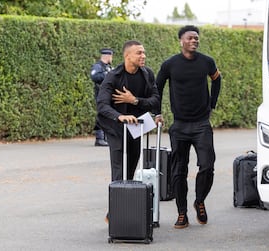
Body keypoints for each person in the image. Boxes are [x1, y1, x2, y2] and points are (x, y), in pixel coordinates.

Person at [155, 25, 221, 229]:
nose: (195, 40)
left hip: (201, 124)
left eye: (197, 38)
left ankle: (199, 200)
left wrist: (212, 105)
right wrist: (157, 112)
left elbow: (217, 80)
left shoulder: (206, 62)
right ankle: (181, 212)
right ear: (181, 41)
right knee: (178, 171)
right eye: (190, 38)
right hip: (179, 125)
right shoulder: (170, 64)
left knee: (207, 165)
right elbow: (157, 87)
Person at [96, 40, 160, 222]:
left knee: (131, 166)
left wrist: (134, 101)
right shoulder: (114, 76)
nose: (143, 56)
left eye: (144, 52)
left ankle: (123, 206)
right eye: (139, 53)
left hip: (136, 125)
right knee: (119, 167)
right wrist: (119, 116)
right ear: (127, 56)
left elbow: (155, 100)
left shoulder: (147, 74)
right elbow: (102, 105)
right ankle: (116, 213)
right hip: (115, 127)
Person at [90, 48, 114, 146]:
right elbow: (94, 77)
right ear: (107, 56)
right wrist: (107, 74)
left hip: (108, 95)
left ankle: (105, 138)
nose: (112, 58)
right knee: (102, 115)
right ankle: (99, 138)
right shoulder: (98, 66)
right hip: (101, 95)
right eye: (111, 56)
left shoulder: (108, 67)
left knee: (107, 116)